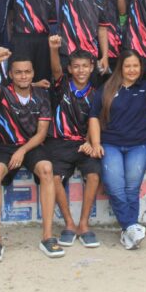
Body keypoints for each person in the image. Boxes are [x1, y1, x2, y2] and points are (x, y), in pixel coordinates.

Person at [89, 49, 146, 250]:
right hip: (110, 144)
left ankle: (128, 233)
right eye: (127, 66)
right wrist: (95, 143)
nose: (132, 70)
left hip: (138, 145)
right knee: (114, 185)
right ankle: (130, 226)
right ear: (120, 67)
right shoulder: (107, 88)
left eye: (135, 65)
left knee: (131, 188)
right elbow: (94, 116)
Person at [0, 49, 60, 261]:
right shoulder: (3, 93)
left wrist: (22, 151)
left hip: (30, 146)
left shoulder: (42, 96)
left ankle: (48, 237)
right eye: (18, 72)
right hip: (4, 146)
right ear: (11, 75)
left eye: (27, 72)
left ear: (33, 73)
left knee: (47, 169)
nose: (23, 76)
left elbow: (42, 133)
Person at [46, 35, 102, 249]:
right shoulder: (62, 85)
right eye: (76, 66)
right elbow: (55, 70)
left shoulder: (97, 94)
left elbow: (96, 122)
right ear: (69, 69)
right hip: (59, 142)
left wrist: (89, 141)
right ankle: (69, 224)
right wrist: (53, 50)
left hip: (84, 143)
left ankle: (84, 224)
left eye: (85, 66)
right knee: (54, 177)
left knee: (94, 175)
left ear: (91, 68)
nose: (80, 70)